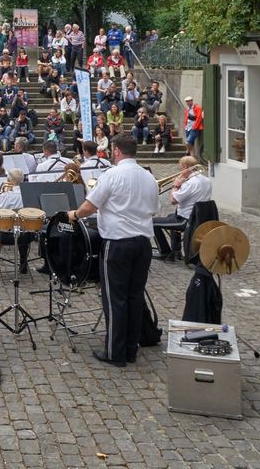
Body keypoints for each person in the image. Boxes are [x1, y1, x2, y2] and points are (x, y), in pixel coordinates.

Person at [67, 134, 158, 366]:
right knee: (135, 297)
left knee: (115, 298)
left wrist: (74, 215)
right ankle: (130, 349)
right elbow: (152, 209)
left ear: (116, 150)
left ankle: (115, 353)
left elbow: (90, 205)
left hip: (118, 243)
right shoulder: (149, 177)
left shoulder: (112, 174)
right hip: (143, 243)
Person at [153, 157, 213, 259]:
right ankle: (176, 251)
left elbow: (173, 200)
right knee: (170, 216)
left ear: (185, 167)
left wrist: (175, 186)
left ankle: (165, 252)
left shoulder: (190, 183)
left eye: (181, 167)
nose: (180, 170)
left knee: (152, 222)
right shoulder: (207, 181)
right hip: (199, 218)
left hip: (186, 219)